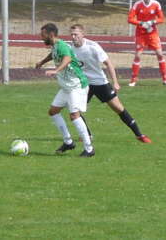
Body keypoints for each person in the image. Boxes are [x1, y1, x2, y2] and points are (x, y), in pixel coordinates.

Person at [70, 24, 152, 143]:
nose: (73, 37)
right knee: (75, 110)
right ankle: (87, 135)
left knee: (119, 109)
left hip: (100, 83)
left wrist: (115, 82)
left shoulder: (93, 47)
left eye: (76, 34)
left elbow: (108, 63)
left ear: (83, 34)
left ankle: (139, 135)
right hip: (84, 84)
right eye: (71, 34)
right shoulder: (70, 48)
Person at [35, 23, 95, 157]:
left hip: (77, 86)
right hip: (66, 87)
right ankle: (68, 142)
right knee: (53, 111)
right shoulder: (56, 46)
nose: (41, 38)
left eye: (43, 35)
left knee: (74, 116)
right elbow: (53, 54)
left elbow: (67, 58)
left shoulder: (62, 45)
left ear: (51, 35)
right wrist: (42, 62)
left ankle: (89, 149)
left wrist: (56, 70)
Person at [127, 0, 166, 86]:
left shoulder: (156, 4)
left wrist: (152, 22)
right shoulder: (137, 4)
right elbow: (130, 19)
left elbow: (162, 19)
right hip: (141, 34)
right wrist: (141, 23)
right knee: (138, 55)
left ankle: (165, 78)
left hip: (152, 33)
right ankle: (133, 80)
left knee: (160, 54)